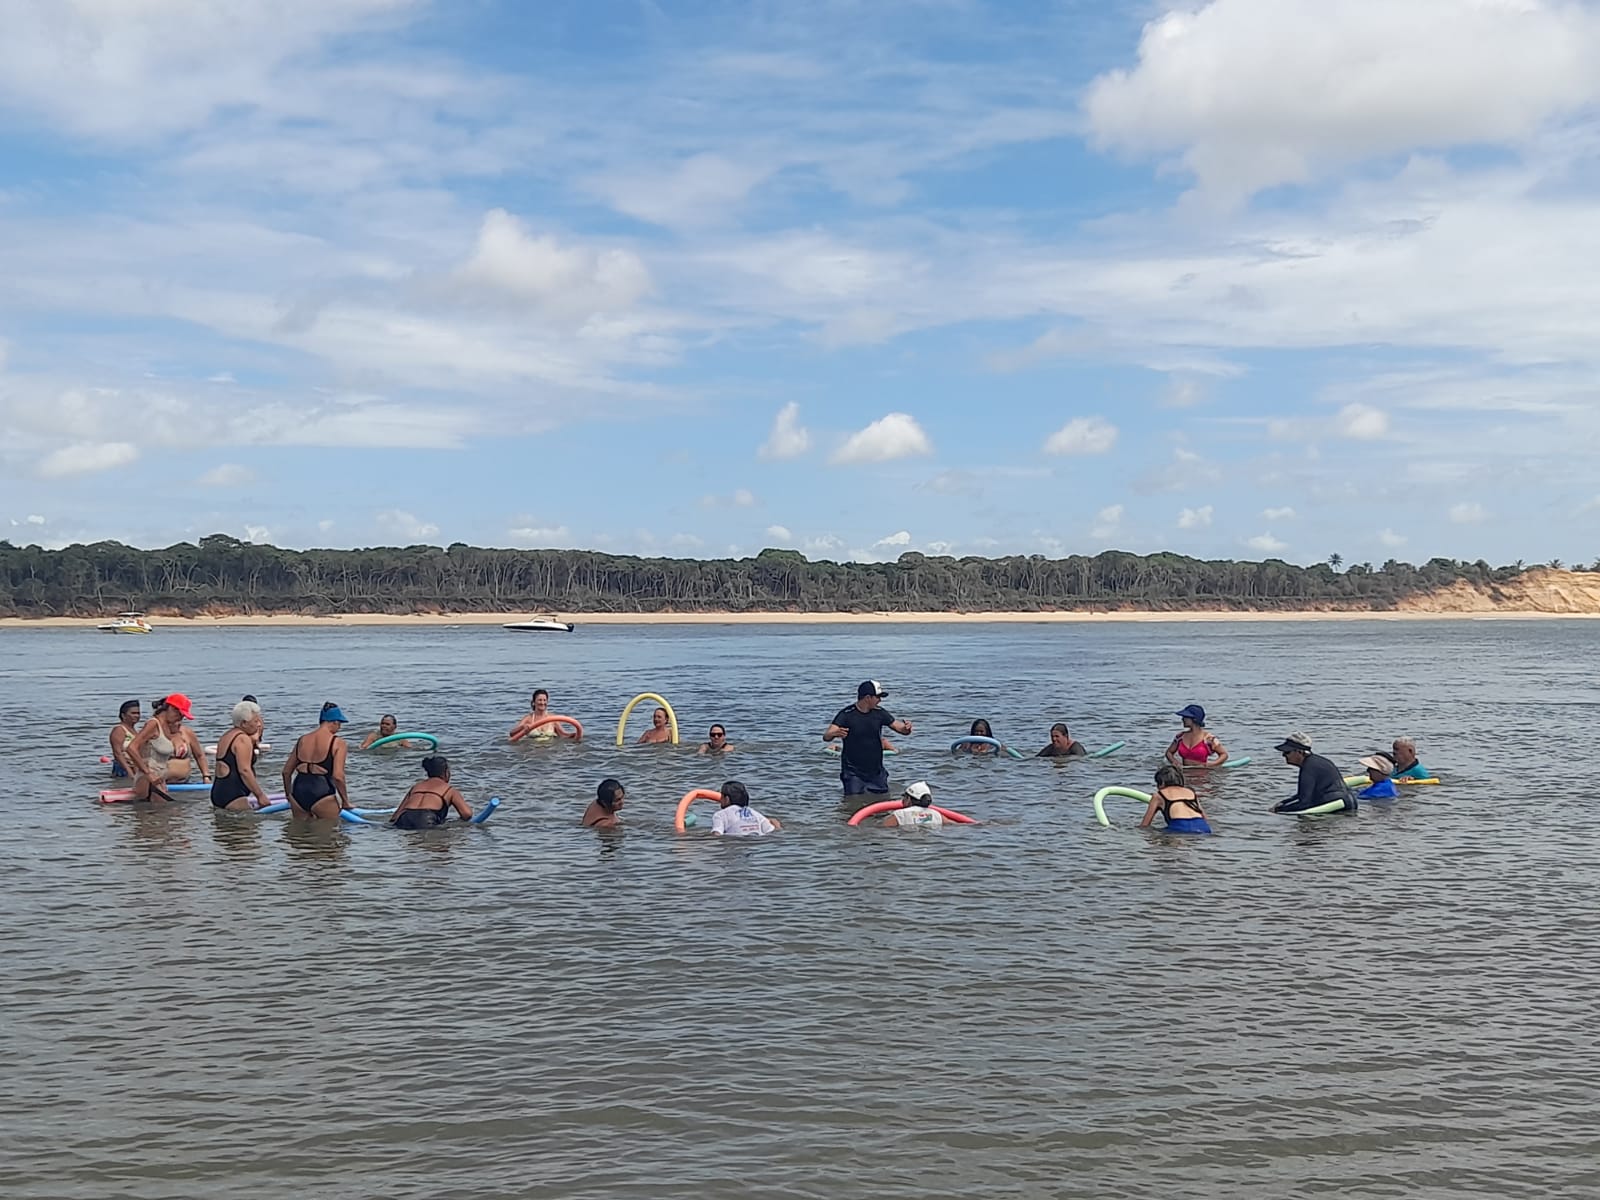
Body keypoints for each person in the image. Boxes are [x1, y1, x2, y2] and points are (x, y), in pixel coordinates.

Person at [824, 681, 913, 796]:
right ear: (867, 697)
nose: (880, 700)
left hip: (876, 771)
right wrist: (834, 733)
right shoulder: (846, 714)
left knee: (882, 802)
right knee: (853, 803)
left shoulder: (880, 713)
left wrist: (907, 728)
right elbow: (826, 736)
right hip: (853, 772)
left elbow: (900, 728)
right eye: (878, 697)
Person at [126, 694, 209, 801]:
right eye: (180, 714)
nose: (181, 718)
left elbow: (199, 755)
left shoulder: (168, 727)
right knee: (154, 813)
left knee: (166, 814)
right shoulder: (153, 724)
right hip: (148, 780)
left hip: (160, 779)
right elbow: (131, 748)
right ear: (171, 708)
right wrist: (148, 773)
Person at [283, 702, 351, 819]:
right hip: (322, 792)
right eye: (340, 724)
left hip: (298, 791)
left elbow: (286, 772)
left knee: (299, 835)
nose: (339, 728)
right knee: (331, 833)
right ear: (335, 721)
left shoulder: (302, 740)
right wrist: (345, 801)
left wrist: (289, 795)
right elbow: (338, 776)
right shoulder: (338, 743)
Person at [1271, 731, 1355, 814]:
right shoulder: (1317, 762)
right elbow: (1302, 796)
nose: (1283, 755)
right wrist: (1284, 802)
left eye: (1287, 752)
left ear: (1300, 752)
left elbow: (1304, 802)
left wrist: (1278, 810)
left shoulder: (1308, 768)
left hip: (1336, 805)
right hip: (1348, 801)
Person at [211, 700, 272, 812]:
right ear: (244, 723)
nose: (259, 724)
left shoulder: (227, 736)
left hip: (219, 792)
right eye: (256, 721)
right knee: (248, 828)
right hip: (233, 795)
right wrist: (260, 796)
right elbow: (244, 770)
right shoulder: (242, 739)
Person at [390, 756, 475, 829]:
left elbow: (395, 816)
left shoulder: (416, 786)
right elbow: (467, 814)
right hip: (426, 820)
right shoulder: (449, 789)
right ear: (446, 773)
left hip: (404, 819)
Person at [1139, 765, 1212, 834]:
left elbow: (1145, 824)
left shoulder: (1158, 796)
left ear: (1161, 783)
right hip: (1203, 827)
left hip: (1180, 827)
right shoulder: (1190, 792)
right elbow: (1205, 818)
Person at [710, 780, 780, 836]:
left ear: (727, 799)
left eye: (721, 796)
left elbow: (717, 834)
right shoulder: (754, 813)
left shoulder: (720, 815)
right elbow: (772, 830)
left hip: (735, 844)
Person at [510, 689, 578, 741]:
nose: (542, 703)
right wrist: (522, 727)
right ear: (534, 702)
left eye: (544, 700)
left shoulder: (552, 718)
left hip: (549, 751)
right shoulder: (528, 718)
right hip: (532, 752)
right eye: (540, 700)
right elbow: (512, 734)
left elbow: (563, 735)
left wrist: (575, 735)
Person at [108, 699, 142, 777]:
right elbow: (118, 753)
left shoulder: (135, 731)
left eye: (138, 713)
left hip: (135, 767)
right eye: (133, 713)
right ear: (123, 715)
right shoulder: (119, 730)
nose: (137, 716)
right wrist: (130, 773)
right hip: (123, 768)